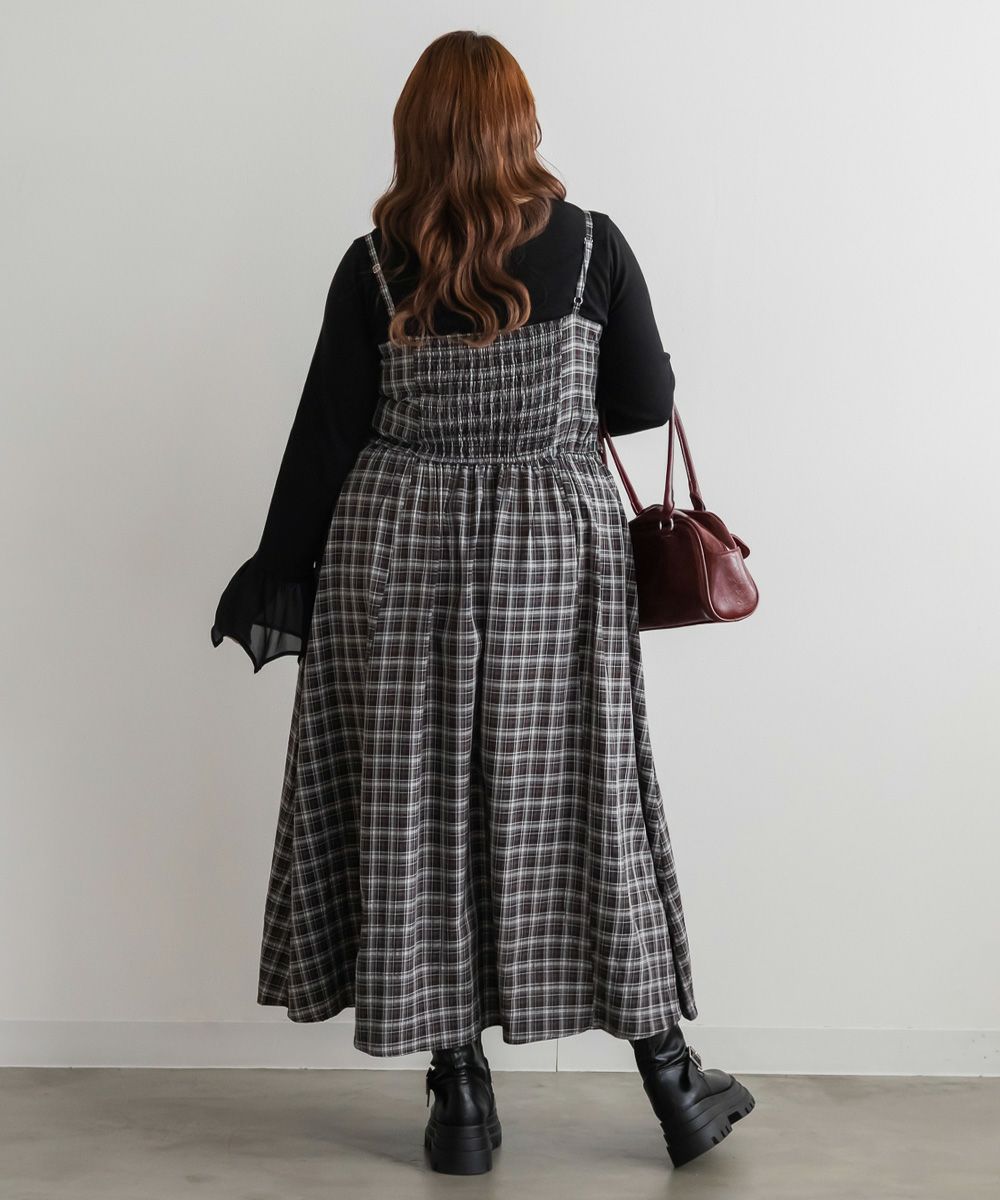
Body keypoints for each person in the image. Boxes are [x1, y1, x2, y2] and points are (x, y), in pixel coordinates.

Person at [210, 29, 755, 1176]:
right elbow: (642, 402)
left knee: (417, 806)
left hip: (396, 554)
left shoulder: (375, 264)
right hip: (554, 560)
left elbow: (327, 436)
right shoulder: (593, 244)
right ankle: (672, 1080)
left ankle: (458, 1100)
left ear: (415, 130)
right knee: (586, 799)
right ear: (520, 124)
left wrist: (276, 573)